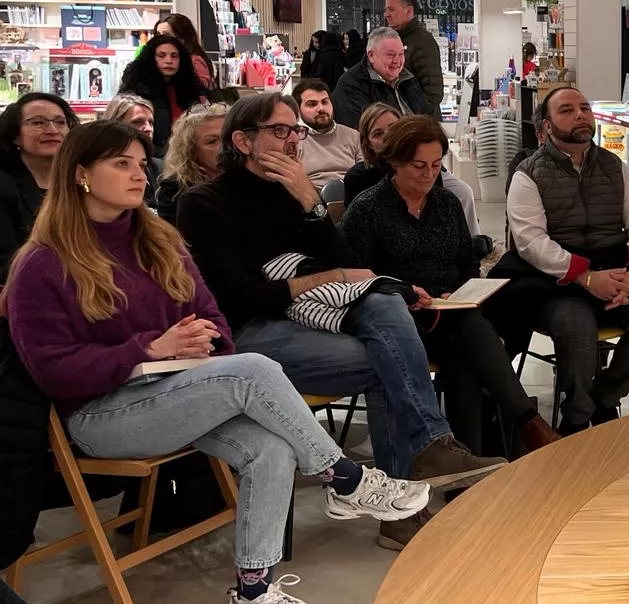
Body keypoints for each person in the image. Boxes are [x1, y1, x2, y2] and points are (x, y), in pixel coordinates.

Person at [5, 121, 431, 604]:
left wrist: (202, 348)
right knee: (255, 368)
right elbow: (51, 371)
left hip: (177, 392)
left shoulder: (157, 238)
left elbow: (213, 317)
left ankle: (255, 591)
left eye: (142, 164)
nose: (139, 176)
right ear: (81, 174)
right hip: (101, 414)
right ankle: (346, 480)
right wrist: (150, 349)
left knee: (272, 448)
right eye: (121, 164)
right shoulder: (42, 263)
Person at [176, 94, 503, 551]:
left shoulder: (291, 192)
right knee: (387, 361)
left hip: (313, 316)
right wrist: (327, 276)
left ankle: (427, 456)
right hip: (251, 334)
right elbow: (241, 296)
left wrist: (311, 201)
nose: (292, 141)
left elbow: (354, 269)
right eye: (280, 130)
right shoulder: (201, 202)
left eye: (296, 131)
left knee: (386, 303)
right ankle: (408, 496)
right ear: (242, 141)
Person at [341, 116, 557, 456]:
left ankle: (466, 466)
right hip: (396, 319)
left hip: (447, 311)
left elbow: (466, 265)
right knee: (468, 339)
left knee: (464, 351)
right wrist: (407, 291)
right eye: (418, 166)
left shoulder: (446, 204)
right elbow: (355, 278)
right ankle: (527, 420)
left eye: (436, 165)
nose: (429, 174)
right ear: (395, 161)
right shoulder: (367, 209)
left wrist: (455, 293)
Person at [486, 87, 629, 434]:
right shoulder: (528, 174)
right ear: (547, 125)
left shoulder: (614, 167)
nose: (580, 115)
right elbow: (530, 242)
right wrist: (586, 278)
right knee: (576, 326)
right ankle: (575, 417)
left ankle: (605, 397)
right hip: (552, 280)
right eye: (568, 110)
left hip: (616, 270)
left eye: (585, 108)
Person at [344, 103, 480, 235]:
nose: (388, 137)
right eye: (378, 134)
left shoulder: (448, 202)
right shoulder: (361, 194)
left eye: (393, 129)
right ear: (367, 143)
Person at [0, 92, 77, 273]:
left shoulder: (80, 177)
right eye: (38, 123)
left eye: (60, 122)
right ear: (15, 135)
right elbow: (6, 261)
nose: (52, 130)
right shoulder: (4, 185)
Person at [117, 33, 209, 156]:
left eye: (174, 56)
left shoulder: (189, 88)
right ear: (152, 58)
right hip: (149, 157)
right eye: (161, 56)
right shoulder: (137, 91)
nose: (168, 61)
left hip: (185, 156)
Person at [331, 27, 428, 129]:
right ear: (371, 56)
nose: (397, 61)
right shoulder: (351, 85)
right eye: (391, 55)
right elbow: (360, 132)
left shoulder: (408, 79)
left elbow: (425, 115)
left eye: (401, 54)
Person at [154, 103, 229, 223]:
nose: (225, 147)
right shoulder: (174, 191)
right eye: (212, 141)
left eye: (228, 138)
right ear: (191, 150)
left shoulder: (253, 178)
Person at [293, 79, 361, 201]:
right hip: (309, 203)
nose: (321, 108)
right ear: (298, 110)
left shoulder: (353, 136)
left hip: (353, 201)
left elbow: (365, 176)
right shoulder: (294, 140)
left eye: (325, 102)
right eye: (312, 104)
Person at [384, 0, 443, 119]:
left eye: (391, 9)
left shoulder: (423, 41)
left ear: (408, 11)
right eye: (386, 9)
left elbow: (433, 94)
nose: (386, 14)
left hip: (418, 126)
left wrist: (412, 120)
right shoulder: (394, 39)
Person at [101, 94, 164, 204]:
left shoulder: (160, 167)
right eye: (137, 122)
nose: (148, 129)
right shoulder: (103, 168)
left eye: (151, 122)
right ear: (114, 125)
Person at [154, 13, 216, 91]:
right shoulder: (157, 59)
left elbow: (200, 90)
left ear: (183, 38)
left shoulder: (195, 61)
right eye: (158, 34)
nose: (160, 39)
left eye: (166, 34)